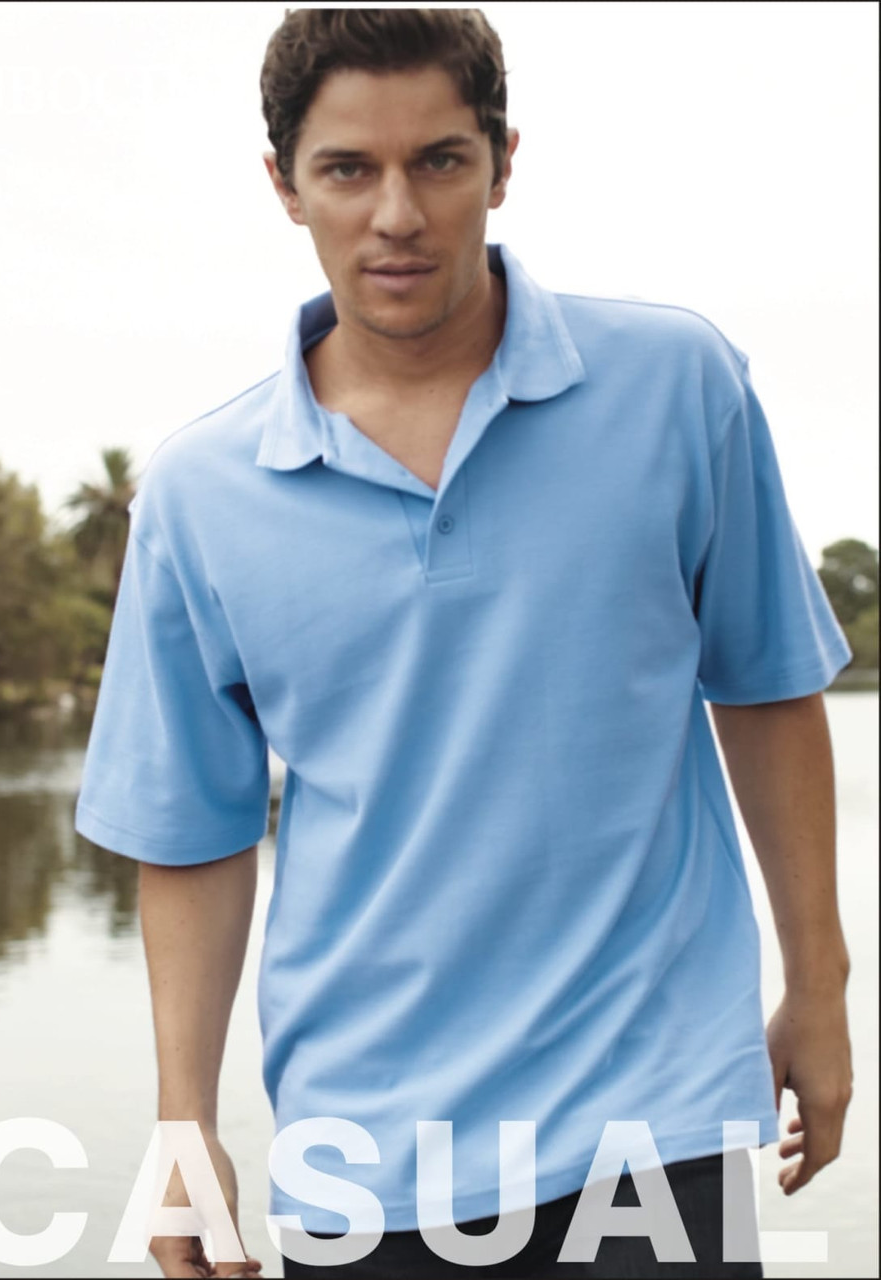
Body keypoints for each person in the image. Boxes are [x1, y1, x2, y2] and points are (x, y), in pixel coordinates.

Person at [75, 9, 854, 1279]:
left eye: (439, 160)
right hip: (362, 1158)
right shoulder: (199, 496)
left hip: (648, 1122)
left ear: (502, 160)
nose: (398, 213)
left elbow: (767, 688)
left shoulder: (678, 385)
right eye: (348, 169)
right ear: (284, 185)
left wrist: (818, 983)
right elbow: (195, 832)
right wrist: (184, 1121)